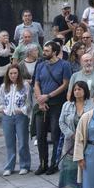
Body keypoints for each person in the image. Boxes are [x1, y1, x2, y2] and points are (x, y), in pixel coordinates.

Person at [33, 41, 71, 175]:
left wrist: (48, 96)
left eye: (47, 51)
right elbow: (36, 84)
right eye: (44, 50)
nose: (44, 53)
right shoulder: (40, 65)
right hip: (42, 105)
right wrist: (40, 100)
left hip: (56, 104)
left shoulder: (64, 65)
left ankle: (54, 164)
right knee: (40, 135)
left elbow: (65, 85)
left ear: (54, 52)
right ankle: (43, 163)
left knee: (55, 135)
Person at [0, 64, 31, 177]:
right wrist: (2, 109)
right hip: (7, 117)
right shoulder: (3, 87)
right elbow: (1, 101)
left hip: (21, 116)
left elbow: (29, 102)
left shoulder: (25, 85)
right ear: (8, 74)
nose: (13, 75)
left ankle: (24, 165)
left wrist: (22, 110)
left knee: (22, 142)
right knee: (9, 142)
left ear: (19, 73)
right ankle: (9, 166)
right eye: (11, 73)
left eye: (15, 73)